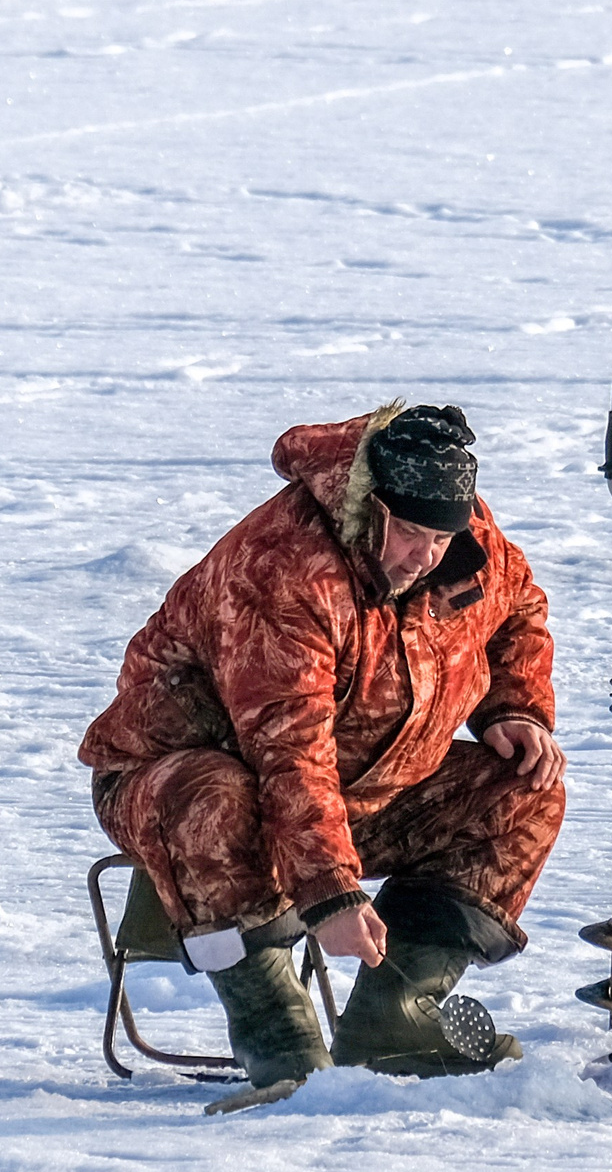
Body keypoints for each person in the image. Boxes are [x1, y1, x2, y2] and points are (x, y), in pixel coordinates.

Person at [79, 402, 565, 1092]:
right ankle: (281, 1039)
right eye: (410, 535)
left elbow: (519, 608)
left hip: (360, 786)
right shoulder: (284, 572)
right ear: (374, 506)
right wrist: (331, 893)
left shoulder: (464, 539)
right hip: (185, 783)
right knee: (218, 798)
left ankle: (395, 1019)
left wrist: (514, 707)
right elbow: (290, 750)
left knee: (526, 787)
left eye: (439, 538)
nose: (423, 557)